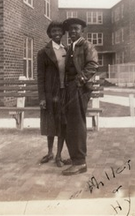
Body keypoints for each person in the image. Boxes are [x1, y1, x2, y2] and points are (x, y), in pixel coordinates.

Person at [61, 18, 99, 176]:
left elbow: (93, 65)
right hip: (70, 88)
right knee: (70, 123)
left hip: (79, 88)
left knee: (77, 124)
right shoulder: (71, 47)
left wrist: (79, 81)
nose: (73, 32)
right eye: (70, 29)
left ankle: (80, 162)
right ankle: (74, 156)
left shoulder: (87, 45)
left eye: (76, 29)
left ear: (82, 30)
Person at [37, 21, 71, 167]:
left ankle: (59, 156)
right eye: (54, 31)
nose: (57, 33)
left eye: (59, 31)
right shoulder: (43, 52)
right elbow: (40, 77)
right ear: (49, 33)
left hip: (65, 94)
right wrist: (42, 97)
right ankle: (50, 152)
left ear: (63, 33)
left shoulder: (68, 51)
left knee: (63, 125)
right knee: (50, 125)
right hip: (51, 95)